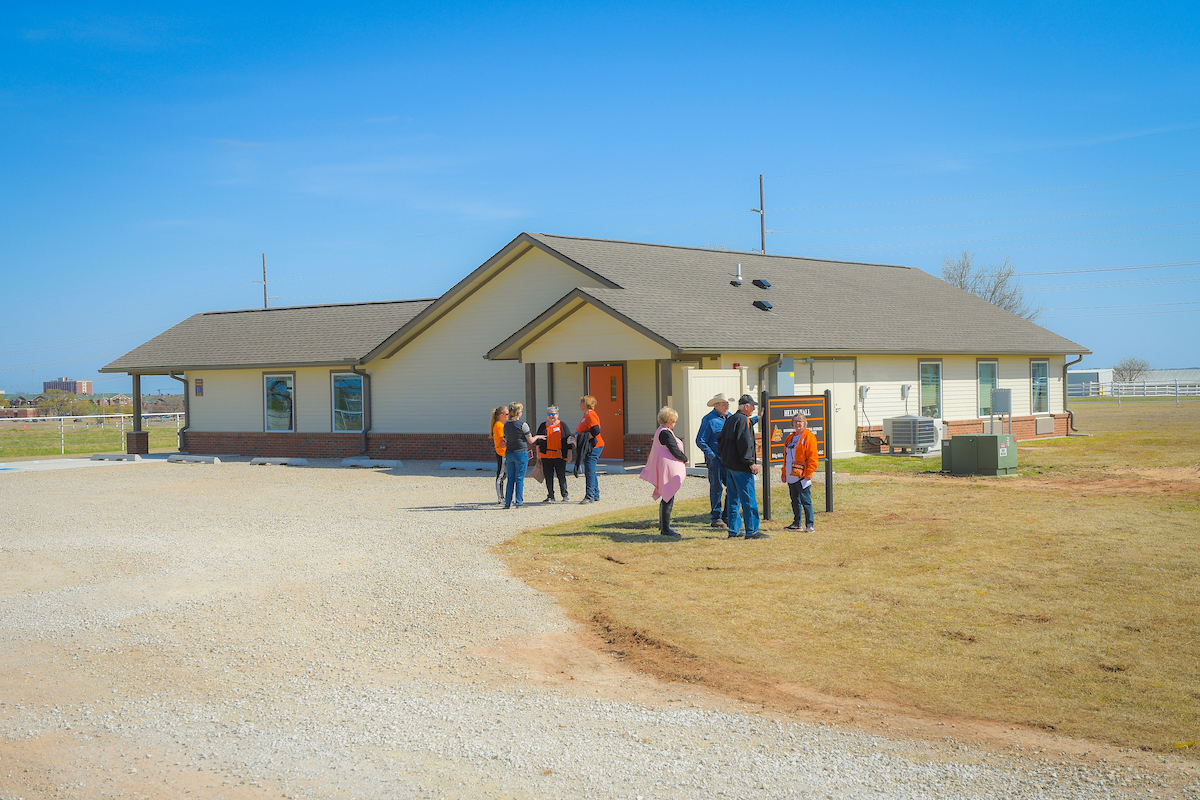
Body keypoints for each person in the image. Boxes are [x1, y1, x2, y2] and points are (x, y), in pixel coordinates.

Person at [717, 394, 765, 539]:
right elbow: (745, 443)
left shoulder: (732, 419)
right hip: (741, 468)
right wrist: (751, 463)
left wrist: (758, 417)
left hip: (730, 467)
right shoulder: (743, 420)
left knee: (733, 500)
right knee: (749, 500)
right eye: (752, 406)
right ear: (746, 407)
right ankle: (752, 531)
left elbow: (720, 441)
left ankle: (734, 531)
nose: (753, 408)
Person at [640, 407, 688, 536]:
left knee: (667, 496)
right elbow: (674, 450)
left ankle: (663, 526)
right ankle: (665, 529)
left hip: (664, 467)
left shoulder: (661, 431)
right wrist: (685, 459)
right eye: (675, 420)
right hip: (667, 469)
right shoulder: (665, 433)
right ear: (670, 420)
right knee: (668, 496)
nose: (676, 422)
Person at [695, 392, 733, 529]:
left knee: (732, 486)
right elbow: (700, 440)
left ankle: (727, 515)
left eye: (727, 404)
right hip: (716, 460)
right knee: (716, 488)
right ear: (716, 405)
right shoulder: (709, 420)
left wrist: (757, 418)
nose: (727, 407)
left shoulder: (730, 418)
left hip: (728, 459)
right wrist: (711, 456)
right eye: (724, 404)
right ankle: (716, 518)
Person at [502, 401, 544, 509]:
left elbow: (505, 440)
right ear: (518, 413)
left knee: (510, 478)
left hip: (509, 453)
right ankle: (519, 502)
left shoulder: (506, 425)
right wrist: (538, 437)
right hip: (521, 452)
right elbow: (530, 440)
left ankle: (507, 502)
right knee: (519, 478)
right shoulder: (523, 425)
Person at [782, 412, 819, 532]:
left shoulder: (809, 437)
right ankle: (797, 523)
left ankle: (810, 525)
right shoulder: (790, 437)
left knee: (805, 500)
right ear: (792, 423)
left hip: (802, 476)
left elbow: (813, 457)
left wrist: (809, 473)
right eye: (796, 421)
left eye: (800, 421)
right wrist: (784, 473)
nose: (798, 423)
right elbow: (786, 457)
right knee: (794, 500)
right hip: (791, 474)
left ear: (805, 423)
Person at [535, 406, 570, 503]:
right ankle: (550, 495)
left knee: (561, 476)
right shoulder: (543, 426)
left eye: (553, 414)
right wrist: (538, 455)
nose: (551, 416)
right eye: (549, 414)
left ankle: (565, 495)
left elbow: (568, 440)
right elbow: (537, 442)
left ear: (557, 415)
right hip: (546, 455)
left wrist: (569, 454)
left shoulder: (562, 425)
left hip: (559, 455)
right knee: (548, 476)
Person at [575, 395, 604, 503]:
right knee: (590, 469)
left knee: (589, 470)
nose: (580, 404)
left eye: (582, 402)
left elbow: (596, 431)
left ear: (587, 403)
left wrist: (585, 438)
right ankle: (595, 494)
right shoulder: (586, 415)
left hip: (594, 446)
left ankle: (589, 496)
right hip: (589, 446)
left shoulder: (591, 415)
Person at [490, 406, 508, 506]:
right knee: (500, 476)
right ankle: (500, 498)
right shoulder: (499, 426)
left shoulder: (500, 425)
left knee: (504, 475)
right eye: (506, 414)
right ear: (501, 415)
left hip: (504, 452)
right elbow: (502, 442)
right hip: (502, 453)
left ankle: (503, 497)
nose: (508, 415)